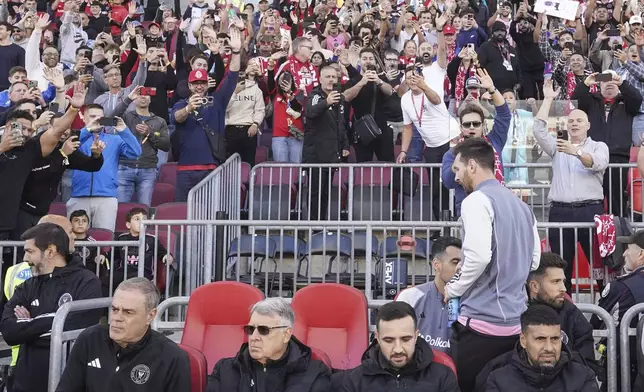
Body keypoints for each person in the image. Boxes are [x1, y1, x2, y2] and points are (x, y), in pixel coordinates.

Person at [446, 138, 540, 392]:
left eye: (457, 169)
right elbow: (535, 260)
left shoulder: (475, 201)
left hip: (481, 327)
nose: (455, 177)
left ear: (472, 165)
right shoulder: (522, 206)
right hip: (514, 325)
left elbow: (477, 257)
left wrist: (452, 288)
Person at [0, 223, 102, 392]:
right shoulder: (27, 286)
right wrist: (57, 319)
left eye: (30, 251)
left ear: (50, 251)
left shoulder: (86, 281)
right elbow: (9, 331)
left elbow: (81, 324)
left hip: (69, 381)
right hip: (25, 381)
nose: (25, 258)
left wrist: (29, 323)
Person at [534, 80, 609, 293]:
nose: (574, 124)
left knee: (599, 268)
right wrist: (548, 98)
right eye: (571, 121)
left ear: (588, 125)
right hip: (561, 211)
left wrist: (574, 151)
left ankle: (606, 311)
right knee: (559, 267)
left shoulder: (598, 146)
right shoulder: (557, 147)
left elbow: (597, 163)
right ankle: (564, 314)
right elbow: (538, 130)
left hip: (590, 210)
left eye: (579, 121)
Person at [55, 278, 191, 391]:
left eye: (128, 312)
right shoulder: (89, 340)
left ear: (150, 316)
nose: (117, 318)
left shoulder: (172, 358)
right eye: (114, 309)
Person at [171, 28, 242, 202]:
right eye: (195, 83)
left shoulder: (217, 101)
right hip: (185, 168)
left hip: (210, 167)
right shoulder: (181, 104)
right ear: (189, 85)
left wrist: (237, 52)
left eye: (202, 83)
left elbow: (232, 76)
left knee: (208, 212)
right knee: (183, 212)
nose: (199, 86)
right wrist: (188, 108)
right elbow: (176, 118)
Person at [206, 297, 332, 391]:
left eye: (263, 330)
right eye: (250, 329)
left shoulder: (315, 373)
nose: (254, 337)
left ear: (286, 335)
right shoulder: (224, 370)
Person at [333, 301, 459, 391]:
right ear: (377, 337)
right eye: (389, 340)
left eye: (405, 339)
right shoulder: (353, 381)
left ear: (416, 336)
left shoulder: (442, 377)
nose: (398, 349)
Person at [15, 114, 106, 239]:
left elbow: (92, 166)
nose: (64, 131)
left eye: (67, 127)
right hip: (22, 208)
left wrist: (96, 155)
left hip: (43, 209)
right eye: (60, 127)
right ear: (50, 128)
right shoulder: (36, 146)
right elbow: (41, 174)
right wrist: (63, 154)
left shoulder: (66, 148)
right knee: (21, 248)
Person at [441, 69, 511, 217]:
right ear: (461, 128)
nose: (471, 127)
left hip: (497, 207)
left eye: (475, 123)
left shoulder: (494, 141)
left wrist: (492, 89)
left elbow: (504, 114)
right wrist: (460, 159)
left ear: (483, 125)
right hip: (469, 212)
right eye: (467, 125)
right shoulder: (452, 154)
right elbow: (448, 181)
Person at [572, 70, 642, 216]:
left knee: (616, 199)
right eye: (605, 80)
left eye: (613, 80)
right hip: (592, 156)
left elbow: (637, 98)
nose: (609, 83)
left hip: (618, 157)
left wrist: (622, 83)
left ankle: (616, 231)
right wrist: (586, 83)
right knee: (590, 197)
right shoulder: (591, 100)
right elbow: (575, 100)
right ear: (599, 84)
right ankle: (593, 232)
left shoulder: (627, 101)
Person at [483, 304, 599, 392]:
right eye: (540, 339)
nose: (549, 348)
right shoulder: (499, 381)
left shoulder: (582, 377)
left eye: (554, 339)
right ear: (523, 340)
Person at [66, 105, 142, 231]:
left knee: (104, 241)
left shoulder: (115, 139)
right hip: (79, 196)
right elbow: (66, 148)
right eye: (92, 116)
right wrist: (87, 130)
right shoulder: (77, 137)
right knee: (75, 241)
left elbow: (136, 152)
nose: (97, 120)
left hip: (106, 198)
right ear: (83, 118)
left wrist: (124, 130)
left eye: (100, 117)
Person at [526, 252, 598, 373]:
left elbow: (587, 365)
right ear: (534, 286)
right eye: (555, 282)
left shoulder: (572, 314)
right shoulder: (515, 315)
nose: (563, 288)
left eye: (563, 281)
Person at [591, 230, 644, 389]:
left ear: (641, 254)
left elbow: (595, 323)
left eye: (628, 248)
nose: (625, 254)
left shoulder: (620, 287)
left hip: (626, 371)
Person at [396, 236, 462, 352]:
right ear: (436, 264)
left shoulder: (471, 302)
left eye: (463, 264)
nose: (460, 269)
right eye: (455, 262)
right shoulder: (410, 297)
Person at [302, 65, 350, 220]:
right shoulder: (316, 95)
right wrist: (326, 102)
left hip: (331, 155)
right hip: (316, 155)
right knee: (315, 193)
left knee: (326, 192)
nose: (331, 80)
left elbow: (340, 124)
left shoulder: (340, 98)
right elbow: (310, 112)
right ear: (320, 79)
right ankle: (313, 227)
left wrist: (345, 145)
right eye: (327, 77)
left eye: (334, 77)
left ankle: (322, 224)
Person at [101, 207, 172, 297]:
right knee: (104, 282)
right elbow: (112, 255)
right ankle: (105, 309)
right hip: (123, 273)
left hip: (143, 275)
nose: (142, 222)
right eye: (137, 219)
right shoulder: (122, 238)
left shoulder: (151, 239)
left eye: (144, 219)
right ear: (128, 225)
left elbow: (162, 252)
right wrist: (104, 256)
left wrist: (167, 256)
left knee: (131, 282)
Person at [120, 91, 170, 206]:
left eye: (146, 94)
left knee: (144, 210)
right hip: (125, 167)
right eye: (139, 94)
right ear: (134, 98)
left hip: (148, 170)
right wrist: (127, 99)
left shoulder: (159, 121)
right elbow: (111, 115)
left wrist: (150, 133)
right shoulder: (126, 116)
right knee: (120, 210)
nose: (143, 96)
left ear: (150, 98)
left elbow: (166, 146)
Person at [224, 61, 266, 166]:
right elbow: (224, 108)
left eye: (255, 65)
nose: (253, 67)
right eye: (250, 65)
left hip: (249, 128)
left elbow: (260, 110)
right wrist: (234, 93)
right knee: (231, 164)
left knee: (249, 163)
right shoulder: (229, 87)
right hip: (231, 129)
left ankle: (247, 183)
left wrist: (255, 124)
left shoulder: (257, 90)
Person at [0, 22, 25, 92]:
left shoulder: (20, 50)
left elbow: (22, 71)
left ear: (8, 32)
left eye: (1, 29)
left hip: (10, 89)